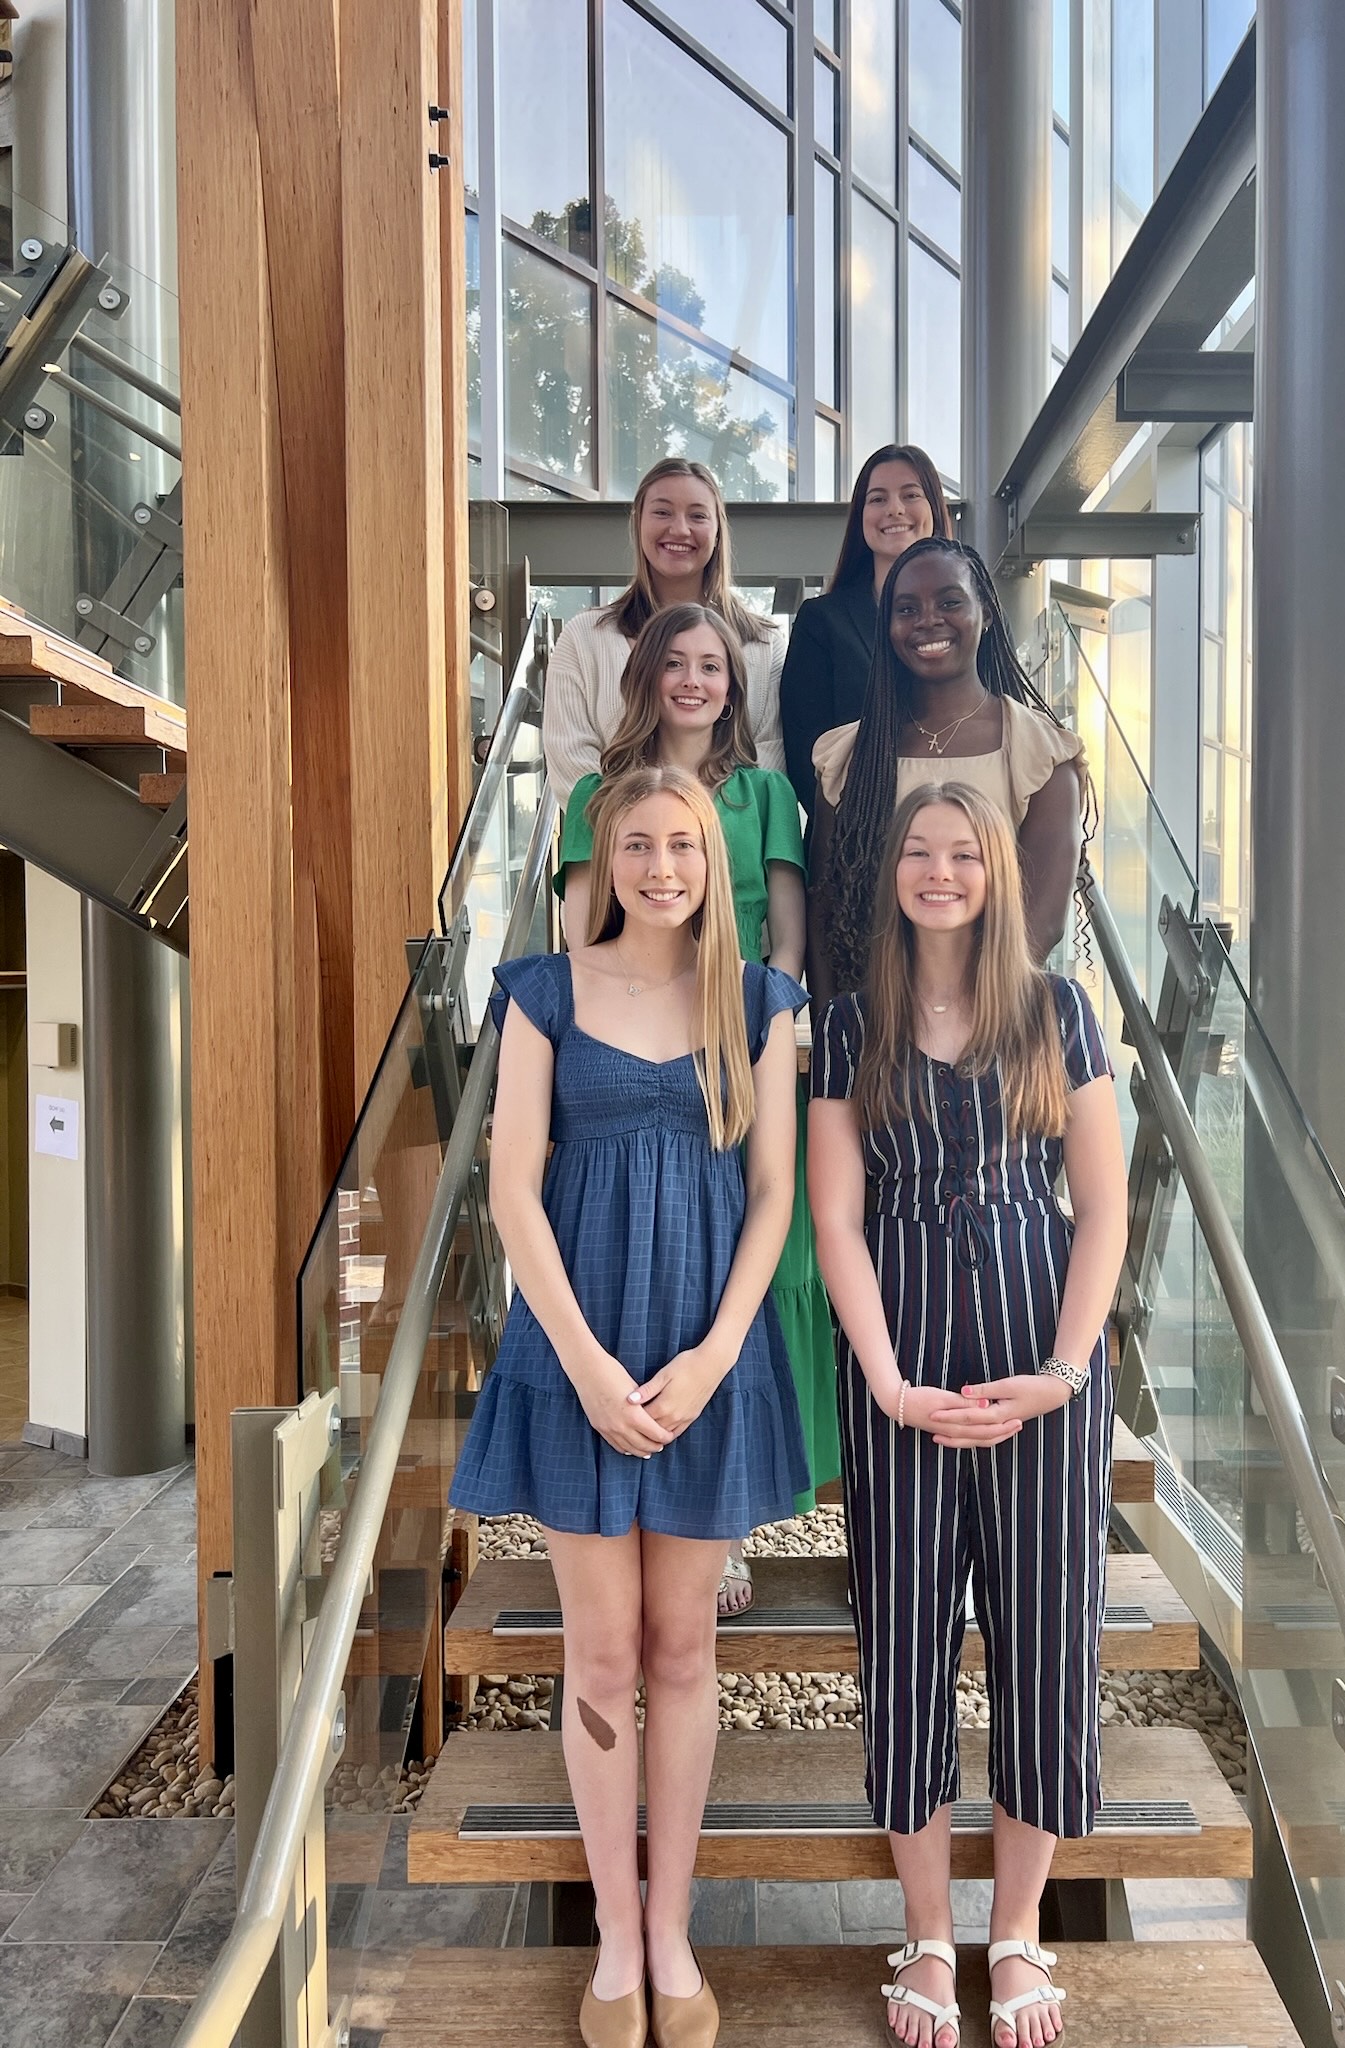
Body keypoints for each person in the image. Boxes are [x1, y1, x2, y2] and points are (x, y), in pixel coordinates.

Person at [450, 765, 809, 2048]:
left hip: (704, 1361)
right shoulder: (543, 992)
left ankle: (672, 1926)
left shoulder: (763, 1001)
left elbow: (774, 1194)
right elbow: (510, 1193)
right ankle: (613, 1930)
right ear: (603, 856)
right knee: (599, 1654)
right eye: (640, 844)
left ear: (716, 859)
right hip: (576, 1359)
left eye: (686, 845)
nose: (663, 866)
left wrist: (717, 1354)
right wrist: (588, 1363)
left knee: (683, 1651)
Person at [807, 783, 1127, 2048]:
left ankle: (1018, 1929)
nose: (939, 873)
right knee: (904, 1648)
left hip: (1041, 1372)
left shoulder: (1058, 1011)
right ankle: (932, 1933)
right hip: (903, 1373)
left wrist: (1062, 1368)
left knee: (1048, 1645)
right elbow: (835, 1213)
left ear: (996, 872)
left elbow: (1100, 1202)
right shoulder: (848, 1023)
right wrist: (882, 1374)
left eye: (964, 854)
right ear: (890, 873)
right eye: (918, 854)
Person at [556, 604, 842, 1612]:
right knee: (643, 1267)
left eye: (711, 663)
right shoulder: (596, 792)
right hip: (630, 1049)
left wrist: (764, 1017)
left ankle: (722, 1518)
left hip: (744, 1044)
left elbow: (789, 930)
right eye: (672, 661)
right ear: (643, 675)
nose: (692, 679)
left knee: (759, 1262)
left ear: (734, 683)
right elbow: (580, 925)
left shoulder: (763, 792)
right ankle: (624, 1499)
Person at [806, 538, 1089, 1007]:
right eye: (907, 609)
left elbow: (1044, 921)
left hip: (995, 1024)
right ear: (887, 626)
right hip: (874, 1026)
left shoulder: (1039, 752)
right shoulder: (849, 757)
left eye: (950, 601)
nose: (928, 620)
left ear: (988, 613)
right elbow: (824, 906)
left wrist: (952, 1018)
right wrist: (837, 1027)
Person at [542, 457, 785, 805]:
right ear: (638, 523)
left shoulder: (765, 646)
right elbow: (573, 770)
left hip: (734, 852)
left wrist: (699, 842)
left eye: (698, 515)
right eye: (662, 512)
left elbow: (769, 763)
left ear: (717, 532)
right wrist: (648, 835)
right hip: (617, 852)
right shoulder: (585, 638)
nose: (680, 529)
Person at [778, 443, 954, 813]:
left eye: (911, 494)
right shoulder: (821, 623)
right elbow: (805, 759)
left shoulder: (972, 618)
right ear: (860, 516)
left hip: (958, 839)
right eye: (877, 499)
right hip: (852, 842)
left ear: (934, 510)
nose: (895, 509)